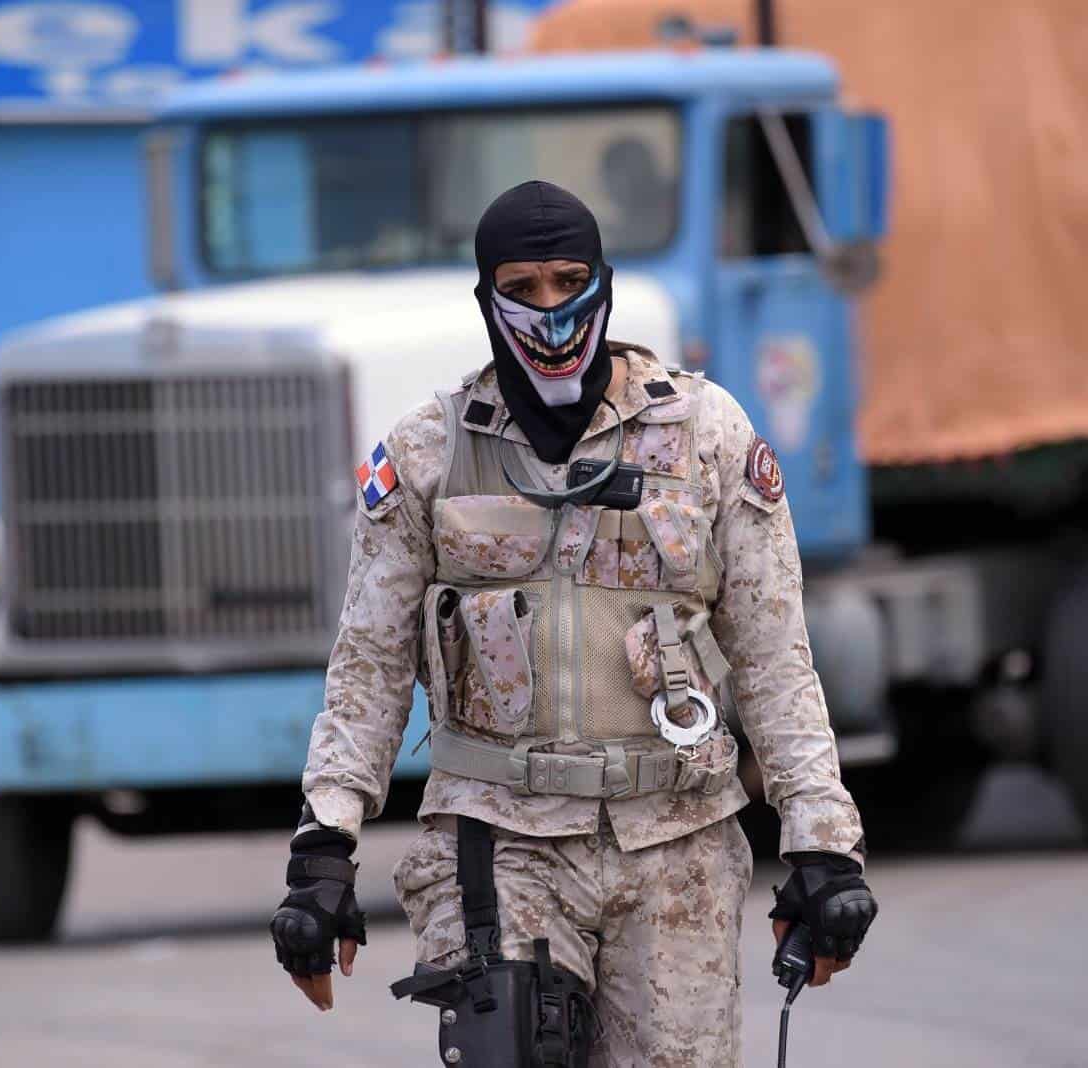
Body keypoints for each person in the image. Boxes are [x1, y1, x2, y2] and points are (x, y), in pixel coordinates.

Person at [270, 180, 877, 1066]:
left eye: (568, 281)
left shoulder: (706, 434)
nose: (550, 311)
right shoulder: (427, 454)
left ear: (604, 283)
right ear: (487, 299)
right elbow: (368, 664)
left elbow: (775, 656)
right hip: (502, 843)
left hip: (677, 844)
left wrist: (824, 846)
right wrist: (323, 849)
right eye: (522, 288)